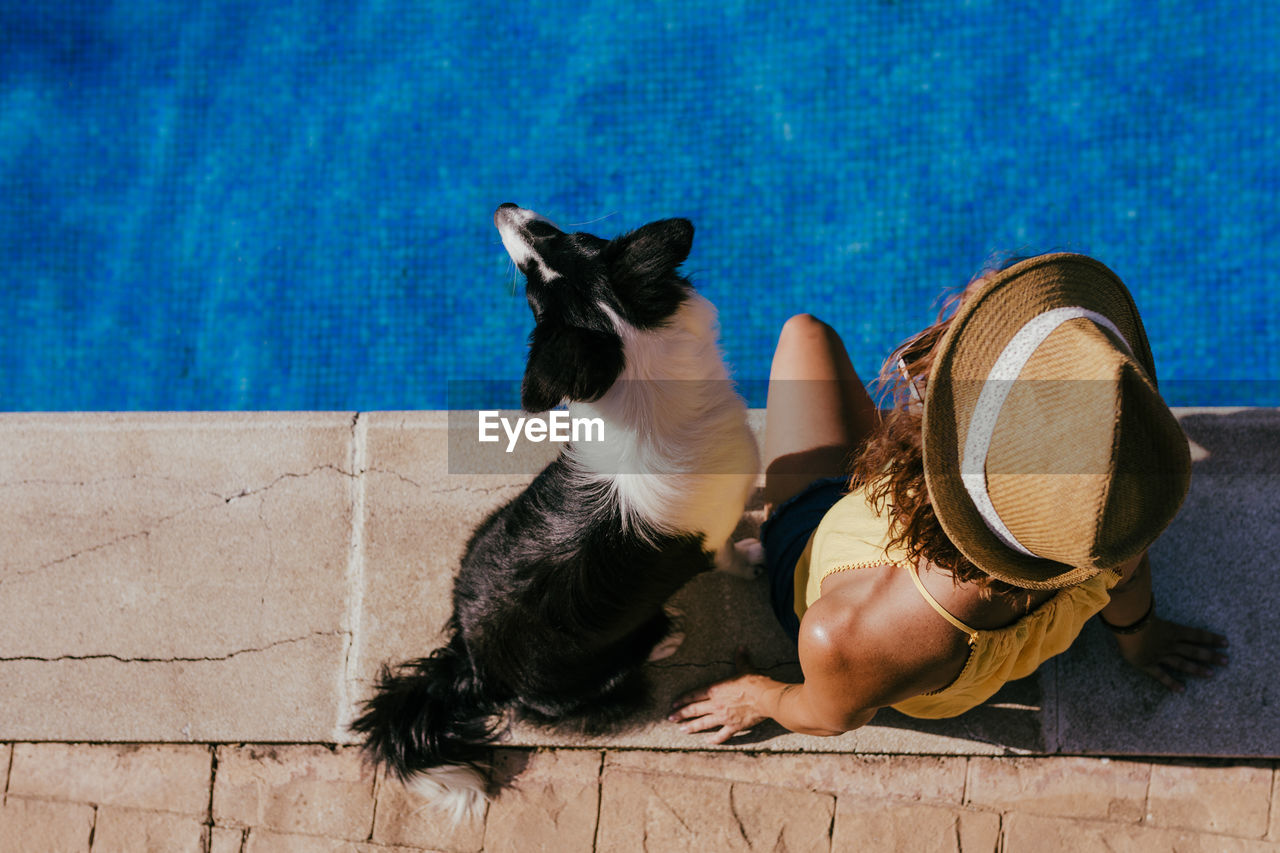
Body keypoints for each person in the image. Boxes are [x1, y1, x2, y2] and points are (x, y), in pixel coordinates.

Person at [669, 253, 1229, 743]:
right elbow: (1129, 581)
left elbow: (826, 715)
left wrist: (758, 695)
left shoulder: (849, 631)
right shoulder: (1111, 513)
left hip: (827, 548)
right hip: (934, 549)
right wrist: (1140, 639)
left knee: (803, 334)